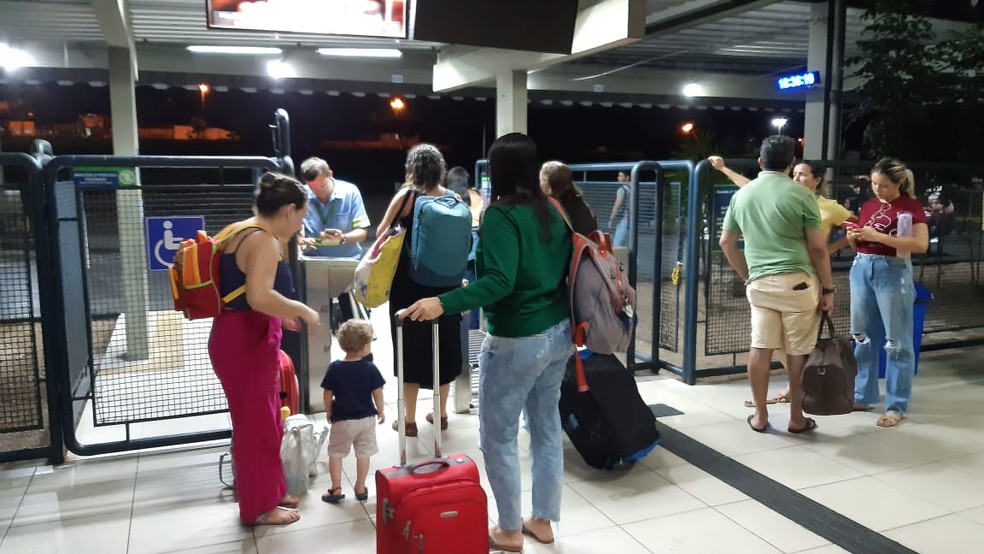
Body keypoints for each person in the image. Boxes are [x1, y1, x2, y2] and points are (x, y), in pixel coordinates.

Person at [402, 133, 573, 552]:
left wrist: (443, 302)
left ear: (497, 170)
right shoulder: (551, 209)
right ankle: (543, 520)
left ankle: (510, 529)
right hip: (558, 333)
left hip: (517, 338)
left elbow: (500, 282)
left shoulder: (500, 216)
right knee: (546, 428)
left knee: (498, 437)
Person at [208, 172, 320, 527]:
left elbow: (244, 291)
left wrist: (281, 314)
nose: (300, 225)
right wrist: (301, 309)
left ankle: (271, 491)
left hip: (239, 337)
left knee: (267, 421)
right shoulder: (264, 241)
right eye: (301, 217)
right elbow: (259, 296)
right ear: (288, 210)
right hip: (245, 342)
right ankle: (259, 507)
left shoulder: (240, 230)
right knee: (255, 428)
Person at [710, 156, 856, 405]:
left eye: (802, 174)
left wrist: (838, 245)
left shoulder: (828, 207)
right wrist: (724, 169)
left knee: (792, 343)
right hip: (786, 278)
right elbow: (749, 185)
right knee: (779, 343)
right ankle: (799, 395)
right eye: (794, 173)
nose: (796, 178)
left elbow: (855, 227)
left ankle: (800, 394)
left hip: (809, 276)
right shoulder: (782, 195)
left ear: (817, 180)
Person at [718, 136, 835, 434]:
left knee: (760, 347)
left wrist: (748, 274)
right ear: (791, 163)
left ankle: (760, 416)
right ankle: (796, 418)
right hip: (798, 284)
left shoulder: (742, 195)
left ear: (760, 162)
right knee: (797, 351)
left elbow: (727, 242)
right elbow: (818, 248)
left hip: (759, 284)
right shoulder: (802, 195)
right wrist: (828, 289)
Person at [377, 144, 463, 437]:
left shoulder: (407, 197)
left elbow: (382, 234)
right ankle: (440, 414)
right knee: (445, 346)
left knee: (409, 348)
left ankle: (409, 420)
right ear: (440, 169)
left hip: (409, 285)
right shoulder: (453, 198)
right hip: (447, 286)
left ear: (411, 169)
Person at [846, 157, 929, 428]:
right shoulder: (870, 205)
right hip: (862, 266)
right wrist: (854, 238)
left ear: (898, 183)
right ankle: (863, 394)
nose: (877, 190)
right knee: (862, 334)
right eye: (874, 184)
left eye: (883, 185)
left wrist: (878, 237)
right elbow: (862, 241)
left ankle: (896, 404)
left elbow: (920, 244)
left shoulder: (911, 207)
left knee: (897, 340)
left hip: (893, 270)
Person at [320, 320, 386, 504]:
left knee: (336, 453)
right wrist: (381, 411)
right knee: (363, 453)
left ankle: (336, 488)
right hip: (366, 419)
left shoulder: (335, 368)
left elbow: (327, 393)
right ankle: (360, 487)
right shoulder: (370, 368)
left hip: (342, 420)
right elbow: (378, 392)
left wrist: (329, 410)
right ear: (364, 346)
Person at [298, 157, 370, 259]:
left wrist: (343, 238)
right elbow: (290, 231)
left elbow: (362, 233)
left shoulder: (350, 192)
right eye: (312, 188)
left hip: (347, 259)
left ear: (330, 174)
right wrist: (300, 240)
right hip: (312, 259)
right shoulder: (302, 195)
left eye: (323, 185)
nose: (318, 191)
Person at [447, 165, 483, 330]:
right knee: (473, 289)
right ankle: (473, 326)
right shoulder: (476, 195)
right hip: (474, 249)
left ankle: (454, 325)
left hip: (454, 248)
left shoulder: (447, 197)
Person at [540, 160, 598, 235]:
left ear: (550, 186)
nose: (539, 184)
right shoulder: (580, 203)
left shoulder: (553, 210)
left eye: (542, 180)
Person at [608, 170, 631, 246]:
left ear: (627, 178)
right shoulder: (634, 187)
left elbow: (617, 205)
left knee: (617, 245)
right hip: (634, 220)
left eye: (620, 176)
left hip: (626, 219)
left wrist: (611, 219)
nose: (618, 178)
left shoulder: (622, 189)